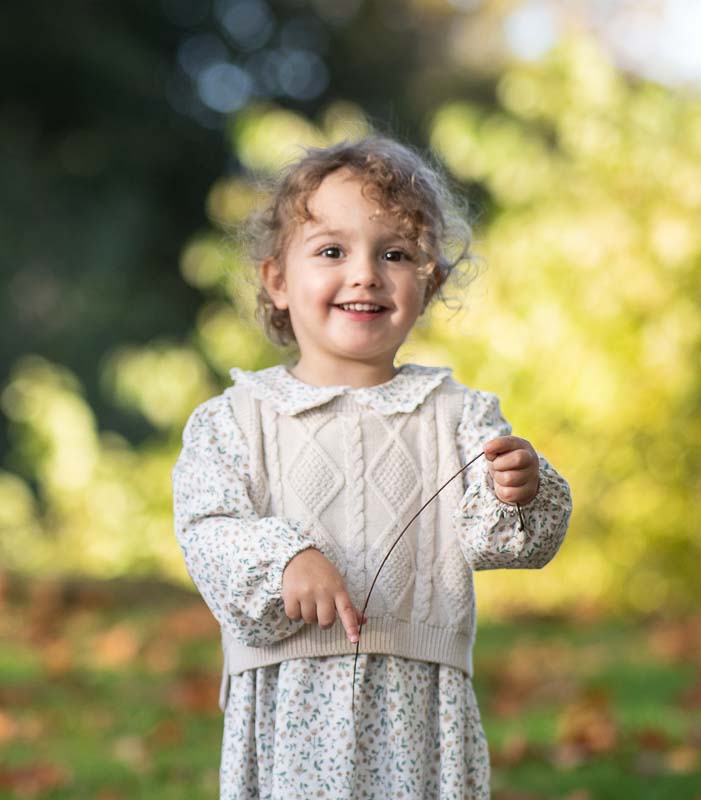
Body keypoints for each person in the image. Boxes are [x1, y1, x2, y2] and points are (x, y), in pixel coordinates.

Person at [171, 134, 573, 799]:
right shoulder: (235, 419)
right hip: (291, 706)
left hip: (419, 706)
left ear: (430, 282)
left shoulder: (457, 415)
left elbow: (505, 542)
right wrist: (284, 561)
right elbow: (206, 528)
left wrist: (519, 492)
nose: (365, 274)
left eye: (395, 254)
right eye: (332, 251)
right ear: (277, 280)